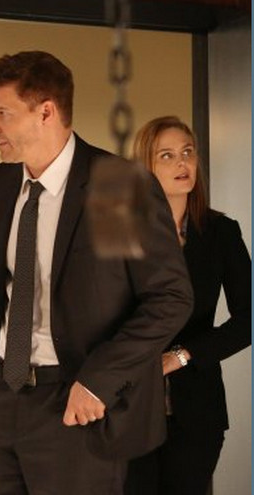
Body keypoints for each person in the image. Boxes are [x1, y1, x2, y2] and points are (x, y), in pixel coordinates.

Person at [0, 51, 194, 495]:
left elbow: (169, 298)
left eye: (2, 113)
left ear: (45, 112)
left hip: (73, 405)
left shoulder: (118, 185)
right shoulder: (2, 183)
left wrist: (99, 382)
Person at [124, 116, 252, 495]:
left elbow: (249, 319)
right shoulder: (120, 233)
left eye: (187, 152)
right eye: (167, 155)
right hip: (128, 407)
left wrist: (181, 356)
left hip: (197, 411)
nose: (182, 163)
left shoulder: (221, 232)